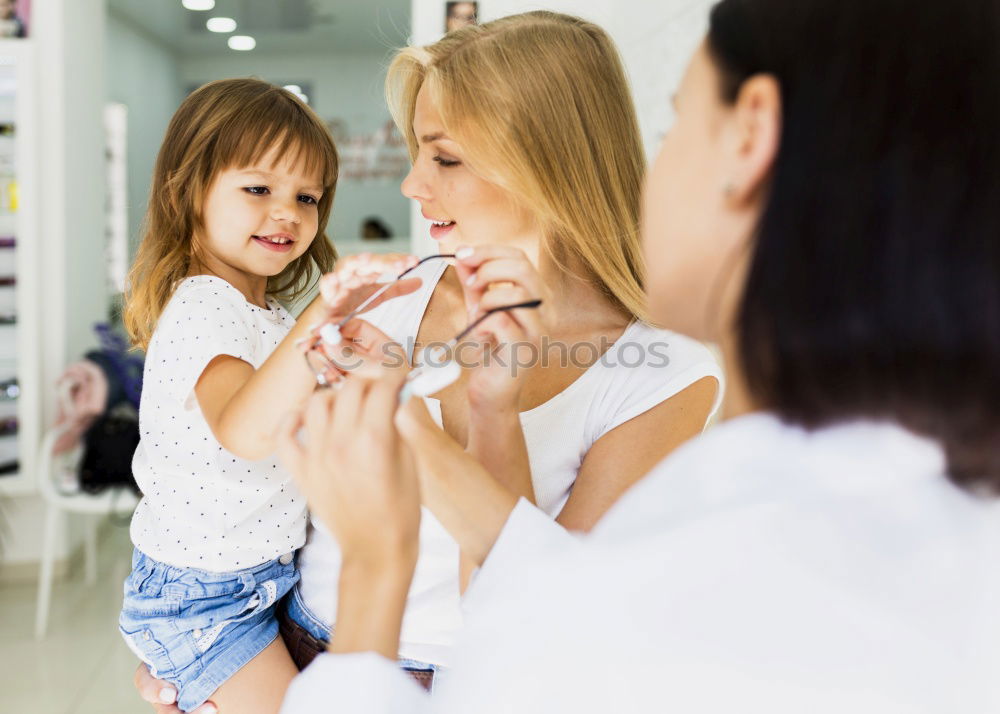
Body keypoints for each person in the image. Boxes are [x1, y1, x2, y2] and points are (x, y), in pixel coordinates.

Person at [273, 0, 1000, 710]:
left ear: (751, 136)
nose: (642, 168)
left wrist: (375, 570)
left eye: (674, 122)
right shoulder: (911, 535)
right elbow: (552, 587)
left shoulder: (696, 550)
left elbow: (555, 640)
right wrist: (447, 418)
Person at [134, 11, 721, 712]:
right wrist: (197, 653)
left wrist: (459, 413)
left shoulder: (663, 371)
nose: (412, 185)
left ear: (545, 160)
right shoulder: (391, 293)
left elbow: (535, 618)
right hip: (292, 648)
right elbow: (235, 473)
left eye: (443, 157)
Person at [119, 78, 416, 714]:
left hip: (258, 580)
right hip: (204, 599)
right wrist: (324, 315)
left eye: (307, 197)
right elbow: (245, 430)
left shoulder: (269, 315)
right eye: (259, 189)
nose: (288, 212)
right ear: (188, 186)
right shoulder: (204, 302)